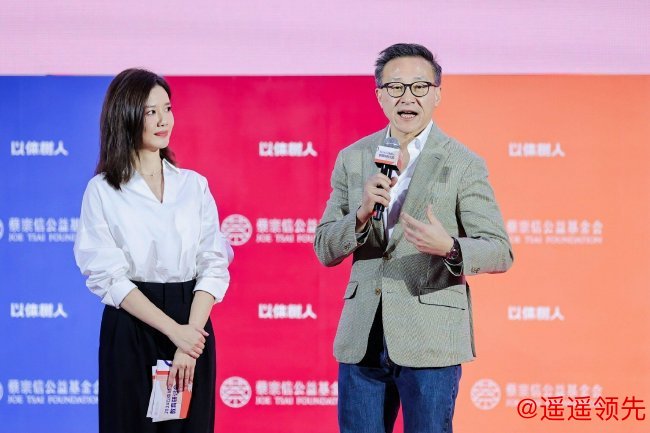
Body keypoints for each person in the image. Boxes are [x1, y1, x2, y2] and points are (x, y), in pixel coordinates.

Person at [314, 43, 513, 433]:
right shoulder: (354, 157)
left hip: (431, 338)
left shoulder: (462, 162)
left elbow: (499, 250)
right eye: (396, 87)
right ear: (380, 96)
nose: (407, 97)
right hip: (362, 336)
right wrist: (360, 215)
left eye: (420, 87)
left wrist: (451, 247)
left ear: (437, 94)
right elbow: (324, 247)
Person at [73, 68, 233, 433]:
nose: (164, 120)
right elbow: (107, 276)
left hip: (192, 323)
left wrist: (188, 338)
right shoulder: (103, 191)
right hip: (132, 325)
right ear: (126, 115)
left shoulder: (193, 186)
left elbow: (213, 263)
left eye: (168, 108)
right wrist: (173, 332)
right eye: (151, 112)